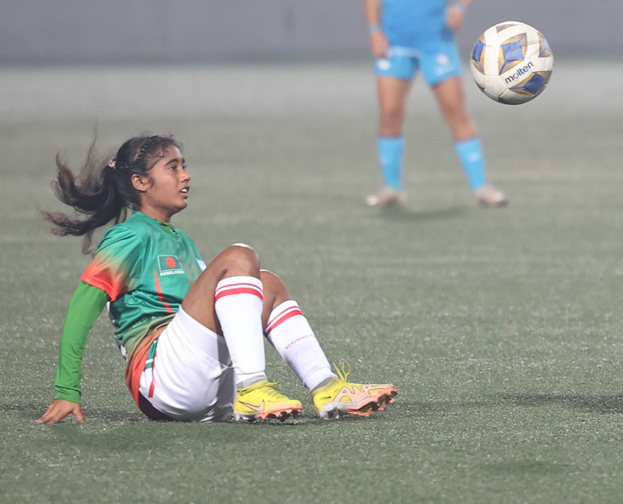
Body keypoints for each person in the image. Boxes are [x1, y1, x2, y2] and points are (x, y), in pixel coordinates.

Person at [37, 135, 398, 424]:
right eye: (172, 167)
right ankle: (253, 387)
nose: (185, 175)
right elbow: (82, 306)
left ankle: (326, 387)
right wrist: (67, 389)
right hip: (162, 378)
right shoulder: (131, 236)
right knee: (240, 256)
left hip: (205, 387)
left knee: (267, 283)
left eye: (184, 166)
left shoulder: (182, 241)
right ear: (141, 182)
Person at [364, 0, 506, 208]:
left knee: (455, 111)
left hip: (435, 43)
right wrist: (375, 30)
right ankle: (392, 188)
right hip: (395, 44)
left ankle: (481, 187)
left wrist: (459, 7)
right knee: (390, 113)